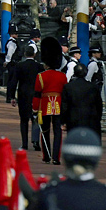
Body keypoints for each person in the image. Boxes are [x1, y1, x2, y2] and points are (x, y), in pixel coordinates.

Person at [35, 36, 67, 164]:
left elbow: (37, 94)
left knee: (45, 131)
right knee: (57, 132)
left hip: (44, 106)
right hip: (59, 105)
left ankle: (46, 155)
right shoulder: (62, 76)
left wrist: (34, 108)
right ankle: (56, 157)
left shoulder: (41, 76)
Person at [14, 44, 43, 149]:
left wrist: (12, 96)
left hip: (23, 94)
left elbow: (14, 81)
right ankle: (36, 141)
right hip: (36, 95)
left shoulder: (19, 66)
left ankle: (24, 143)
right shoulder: (39, 67)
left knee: (24, 120)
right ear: (34, 54)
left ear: (25, 54)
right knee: (35, 119)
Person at [62, 63, 102, 135]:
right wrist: (98, 118)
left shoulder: (68, 87)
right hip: (90, 119)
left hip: (73, 119)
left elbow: (64, 105)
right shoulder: (93, 87)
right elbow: (99, 105)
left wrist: (63, 121)